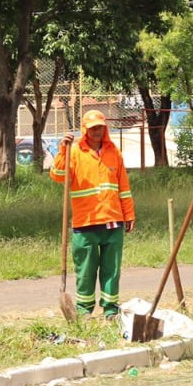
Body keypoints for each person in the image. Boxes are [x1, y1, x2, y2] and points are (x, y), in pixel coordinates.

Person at [50, 110, 135, 319]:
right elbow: (58, 176)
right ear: (85, 130)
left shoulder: (113, 151)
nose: (97, 131)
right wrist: (63, 150)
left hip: (112, 220)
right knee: (86, 270)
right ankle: (84, 310)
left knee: (111, 269)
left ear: (105, 129)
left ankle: (110, 309)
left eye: (100, 127)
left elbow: (123, 186)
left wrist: (129, 214)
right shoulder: (74, 151)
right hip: (85, 222)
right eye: (92, 128)